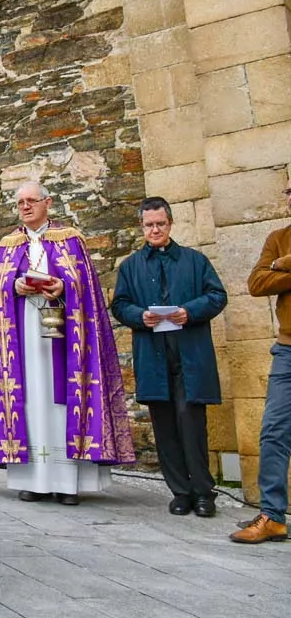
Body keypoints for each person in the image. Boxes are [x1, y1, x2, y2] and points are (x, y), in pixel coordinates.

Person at [0, 182, 135, 505]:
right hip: (21, 338)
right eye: (20, 203)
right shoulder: (7, 245)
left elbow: (87, 289)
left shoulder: (71, 240)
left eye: (32, 200)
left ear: (48, 202)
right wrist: (14, 285)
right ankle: (30, 479)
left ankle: (67, 482)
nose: (26, 206)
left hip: (63, 336)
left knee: (61, 399)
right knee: (28, 401)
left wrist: (64, 287)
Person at [111, 196, 226, 518]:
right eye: (149, 225)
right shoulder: (131, 266)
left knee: (191, 422)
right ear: (142, 227)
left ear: (170, 224)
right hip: (153, 355)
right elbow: (119, 304)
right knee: (164, 425)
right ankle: (180, 492)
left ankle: (204, 493)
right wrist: (139, 315)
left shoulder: (194, 260)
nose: (155, 229)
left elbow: (217, 295)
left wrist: (189, 311)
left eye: (160, 223)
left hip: (189, 352)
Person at [231, 180, 291, 544]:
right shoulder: (278, 237)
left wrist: (283, 267)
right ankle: (272, 516)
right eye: (288, 192)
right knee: (273, 432)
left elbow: (273, 275)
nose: (290, 198)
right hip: (287, 351)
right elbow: (256, 282)